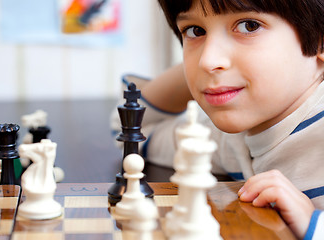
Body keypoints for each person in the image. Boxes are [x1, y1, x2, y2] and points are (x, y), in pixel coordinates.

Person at [110, 0, 324, 239]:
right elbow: (133, 131)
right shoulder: (225, 139)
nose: (208, 60)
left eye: (249, 26)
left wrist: (315, 227)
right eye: (195, 31)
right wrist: (201, 74)